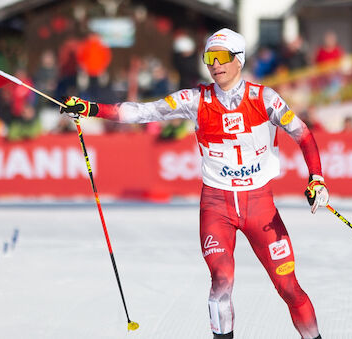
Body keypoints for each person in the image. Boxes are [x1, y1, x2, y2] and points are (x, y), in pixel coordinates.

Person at [60, 28, 327, 339]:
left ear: (238, 60)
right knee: (221, 281)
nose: (215, 64)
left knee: (288, 286)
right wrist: (92, 109)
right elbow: (142, 112)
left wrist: (316, 178)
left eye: (222, 57)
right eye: (210, 58)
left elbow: (304, 135)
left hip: (260, 207)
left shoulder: (264, 99)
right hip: (217, 206)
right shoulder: (195, 99)